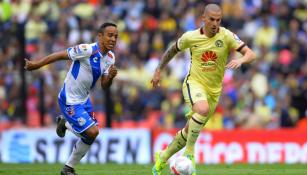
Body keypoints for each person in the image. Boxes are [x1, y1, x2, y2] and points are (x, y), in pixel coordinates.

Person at [151, 4, 256, 175]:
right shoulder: (190, 37)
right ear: (204, 18)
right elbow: (172, 50)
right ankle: (190, 154)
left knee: (188, 130)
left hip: (214, 92)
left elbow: (251, 54)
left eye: (218, 20)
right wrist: (158, 70)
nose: (215, 23)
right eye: (212, 19)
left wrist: (241, 60)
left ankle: (162, 158)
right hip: (194, 84)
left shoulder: (227, 35)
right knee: (202, 109)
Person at [24, 22, 118, 175]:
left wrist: (111, 77)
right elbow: (59, 55)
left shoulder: (110, 58)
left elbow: (105, 85)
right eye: (110, 35)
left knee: (91, 135)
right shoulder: (87, 50)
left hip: (84, 101)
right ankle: (65, 124)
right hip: (70, 100)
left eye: (116, 36)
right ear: (100, 36)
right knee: (93, 132)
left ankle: (68, 168)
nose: (113, 39)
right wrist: (36, 65)